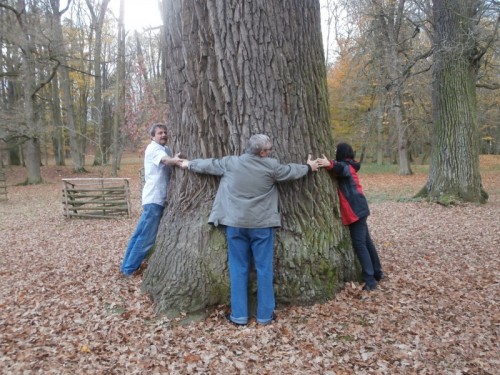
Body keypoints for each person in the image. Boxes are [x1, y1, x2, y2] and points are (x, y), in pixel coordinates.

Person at [179, 134, 319, 325]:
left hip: (236, 225)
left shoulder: (231, 163)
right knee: (264, 269)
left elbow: (208, 165)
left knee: (238, 269)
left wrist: (187, 163)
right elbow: (290, 171)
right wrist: (309, 167)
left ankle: (239, 316)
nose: (270, 152)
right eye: (268, 150)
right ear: (262, 152)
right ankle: (264, 316)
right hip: (261, 226)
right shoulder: (271, 166)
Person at [316, 143, 384, 291]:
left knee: (360, 244)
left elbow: (342, 169)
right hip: (360, 207)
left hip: (356, 209)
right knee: (366, 242)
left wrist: (329, 164)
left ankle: (370, 279)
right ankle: (377, 272)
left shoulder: (347, 166)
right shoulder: (351, 164)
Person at [120, 124, 181, 277]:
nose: (163, 135)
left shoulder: (164, 149)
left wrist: (173, 158)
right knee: (146, 238)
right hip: (154, 199)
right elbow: (166, 161)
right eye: (160, 133)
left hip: (154, 199)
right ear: (153, 136)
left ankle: (126, 267)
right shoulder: (154, 149)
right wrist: (176, 161)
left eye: (165, 132)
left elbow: (167, 158)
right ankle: (129, 270)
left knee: (139, 234)